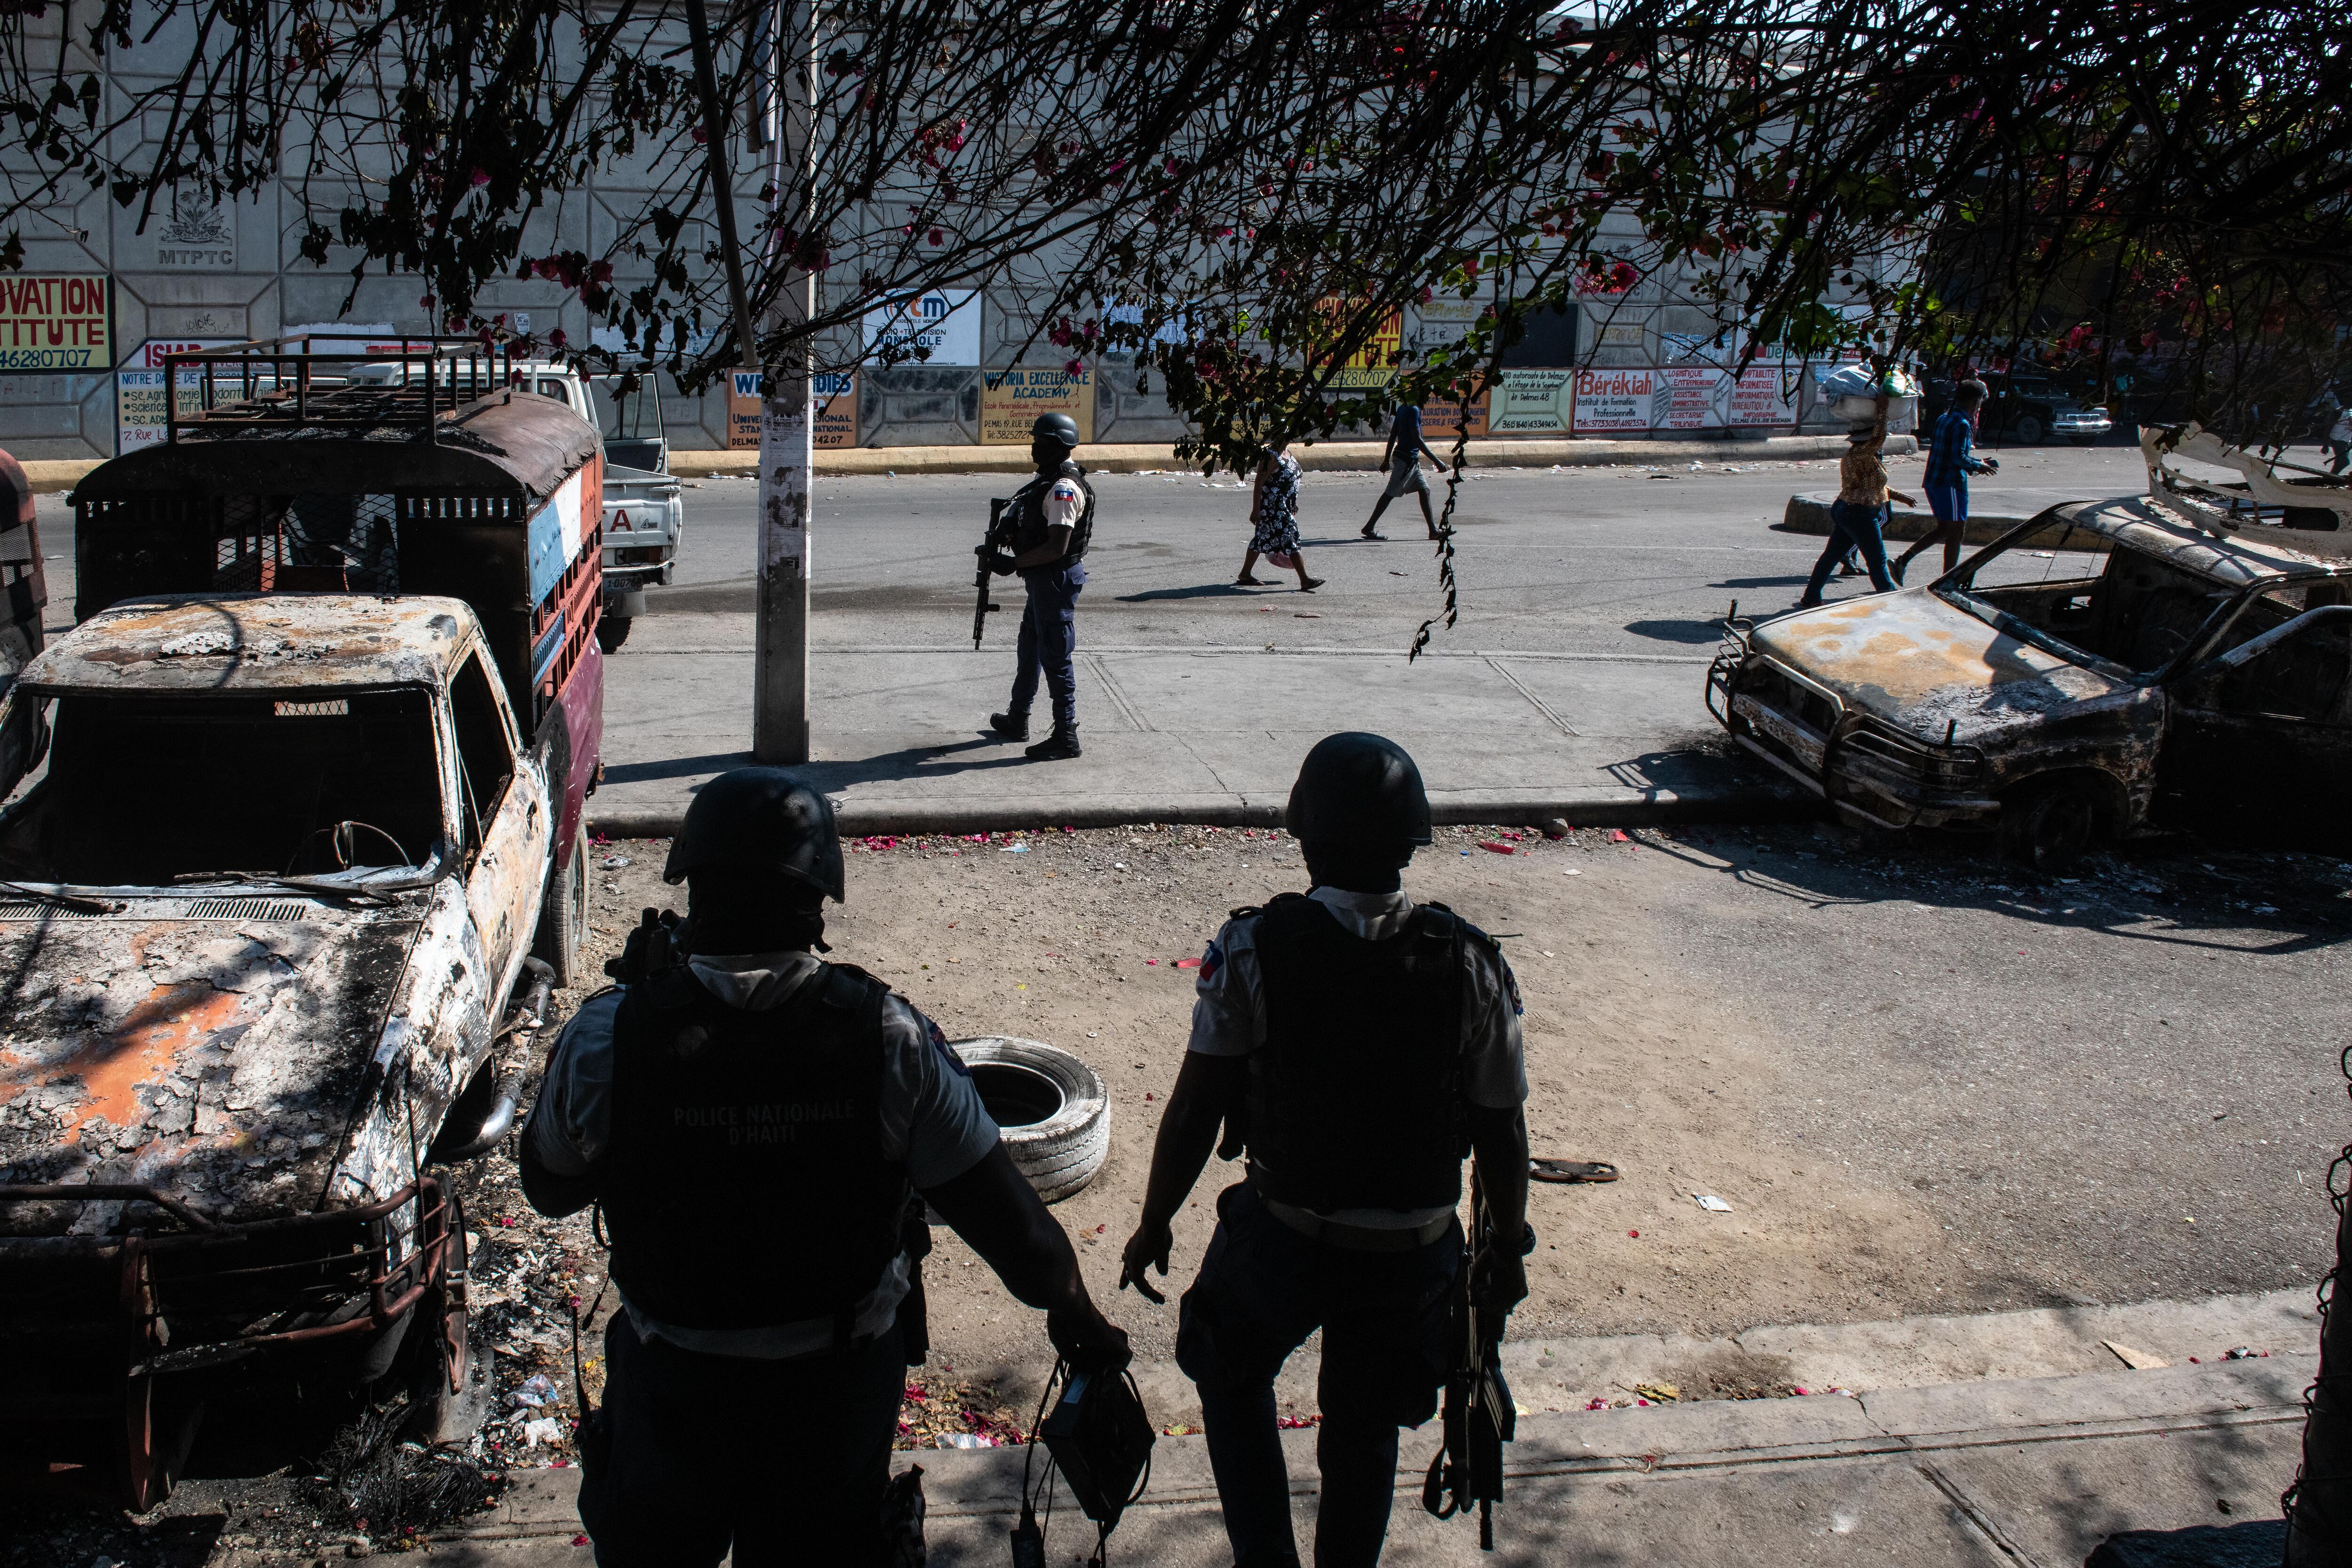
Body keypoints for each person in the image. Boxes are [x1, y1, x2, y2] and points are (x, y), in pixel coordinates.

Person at [521, 767, 1128, 1568]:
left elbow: (549, 1184)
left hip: (673, 1396)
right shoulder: (891, 1039)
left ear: (694, 889)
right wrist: (1077, 1316)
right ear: (818, 902)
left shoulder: (609, 1038)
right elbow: (1021, 1239)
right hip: (830, 1404)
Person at [1119, 732, 1531, 1568]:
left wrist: (1155, 1218)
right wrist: (1504, 1246)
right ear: (1410, 842)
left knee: (1228, 1372)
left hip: (1286, 1237)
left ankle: (1266, 1556)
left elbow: (1200, 1103)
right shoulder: (1471, 964)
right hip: (1412, 1252)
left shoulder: (1252, 949)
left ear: (1304, 834)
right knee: (1365, 1427)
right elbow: (1502, 1129)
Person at [985, 411, 1096, 761]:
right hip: (1042, 582)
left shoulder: (1064, 487)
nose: (1033, 448)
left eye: (1039, 442)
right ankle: (1018, 717)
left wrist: (1012, 564)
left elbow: (1056, 546)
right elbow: (1028, 513)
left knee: (1056, 657)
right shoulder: (1046, 480)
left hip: (1054, 580)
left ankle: (1066, 735)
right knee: (1030, 646)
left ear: (1056, 446)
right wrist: (1008, 528)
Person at [1797, 392, 1915, 607]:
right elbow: (1880, 437)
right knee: (1877, 560)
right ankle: (1890, 600)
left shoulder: (1864, 456)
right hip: (1859, 513)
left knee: (1831, 557)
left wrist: (1898, 496)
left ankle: (1811, 597)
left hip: (1848, 510)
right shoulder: (1862, 454)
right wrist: (1883, 411)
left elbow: (1873, 485)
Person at [1891, 378, 1998, 584]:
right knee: (1956, 532)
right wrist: (1980, 466)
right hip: (1950, 484)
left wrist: (1976, 462)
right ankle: (1948, 579)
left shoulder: (1944, 418)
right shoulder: (1963, 424)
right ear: (1975, 401)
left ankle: (1904, 561)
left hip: (1934, 481)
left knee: (1945, 529)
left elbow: (1952, 453)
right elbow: (1958, 458)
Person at [1238, 436, 1323, 592]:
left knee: (1261, 539)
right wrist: (1256, 510)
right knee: (1289, 539)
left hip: (1284, 506)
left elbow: (1290, 481)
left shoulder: (1287, 453)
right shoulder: (1271, 456)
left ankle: (1245, 574)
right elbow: (1259, 484)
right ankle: (1305, 580)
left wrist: (1293, 502)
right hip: (1273, 508)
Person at [1360, 404, 1445, 541]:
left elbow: (1393, 435)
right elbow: (1418, 440)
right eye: (1427, 394)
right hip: (1406, 460)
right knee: (1390, 493)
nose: (1428, 398)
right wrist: (1437, 461)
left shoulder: (1403, 408)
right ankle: (1369, 527)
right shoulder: (1413, 411)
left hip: (1410, 460)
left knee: (1425, 490)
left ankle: (1433, 530)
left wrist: (1387, 459)